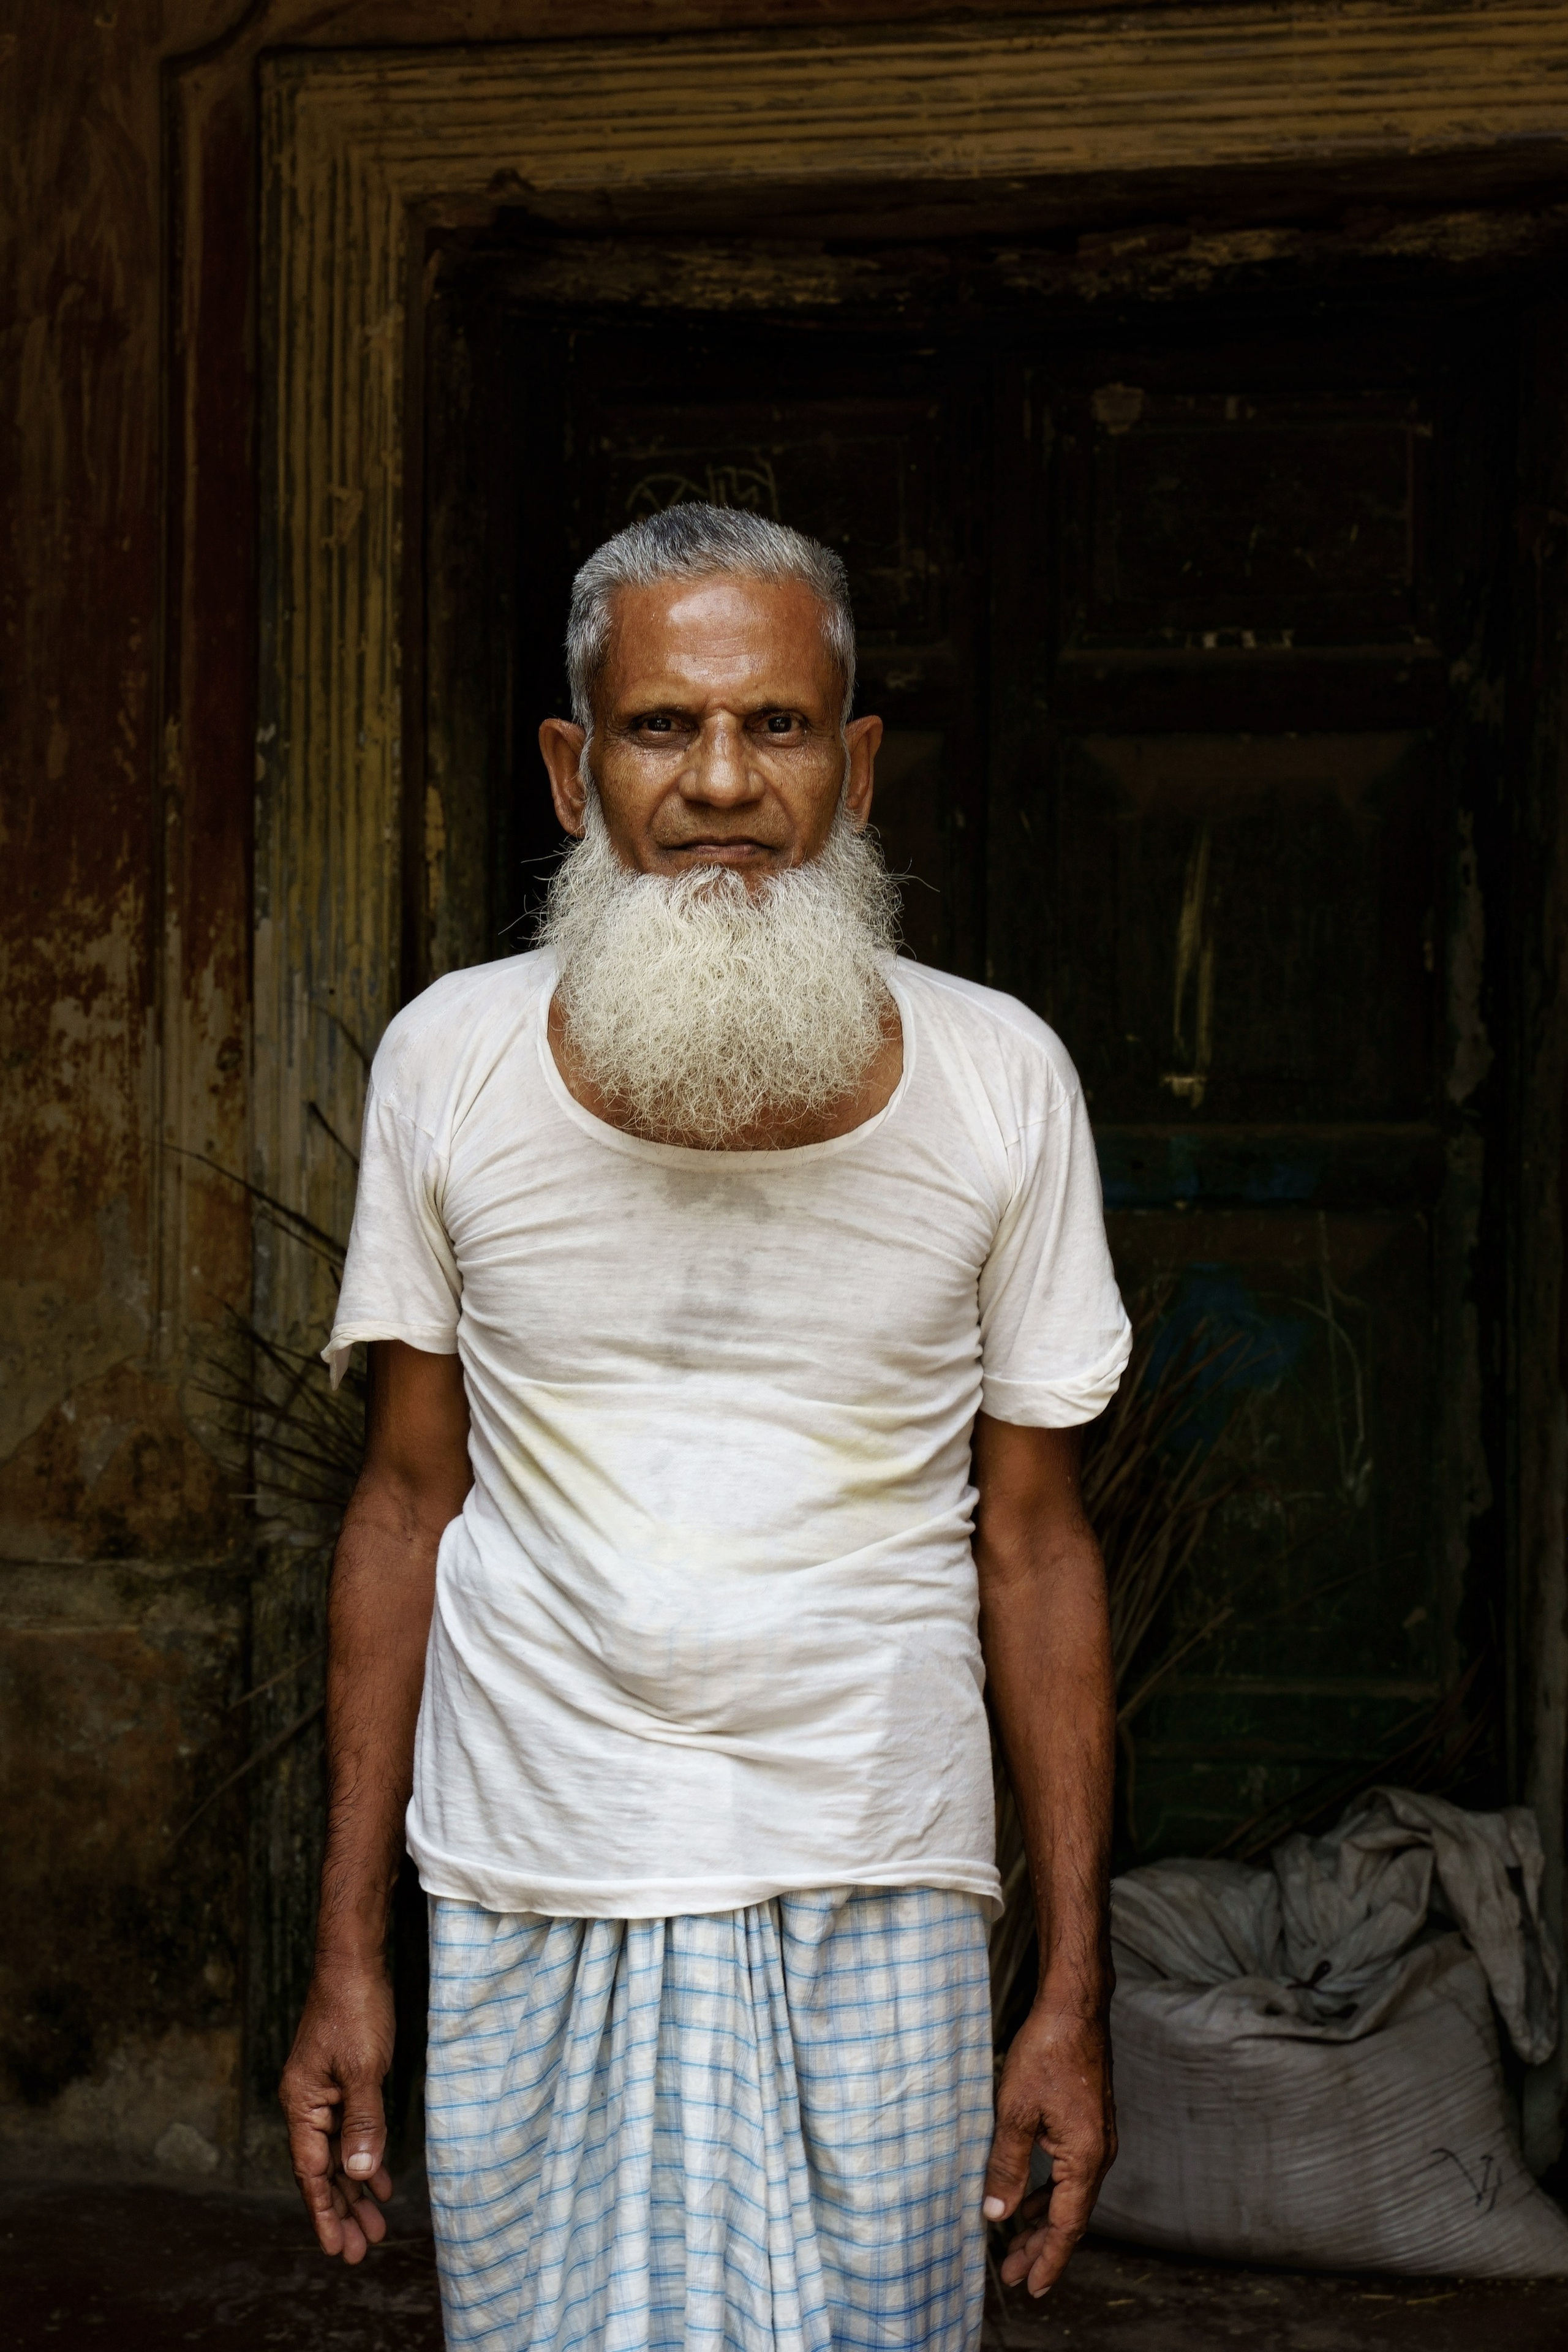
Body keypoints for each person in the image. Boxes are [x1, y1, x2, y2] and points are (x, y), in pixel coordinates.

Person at [280, 502, 1131, 2351]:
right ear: (576, 767)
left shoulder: (1001, 1078)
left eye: (782, 727)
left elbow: (1038, 1541)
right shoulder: (452, 1059)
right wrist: (346, 1952)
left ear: (861, 761)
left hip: (878, 1872)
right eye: (666, 727)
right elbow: (407, 1502)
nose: (725, 781)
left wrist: (1073, 1991)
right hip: (531, 1867)